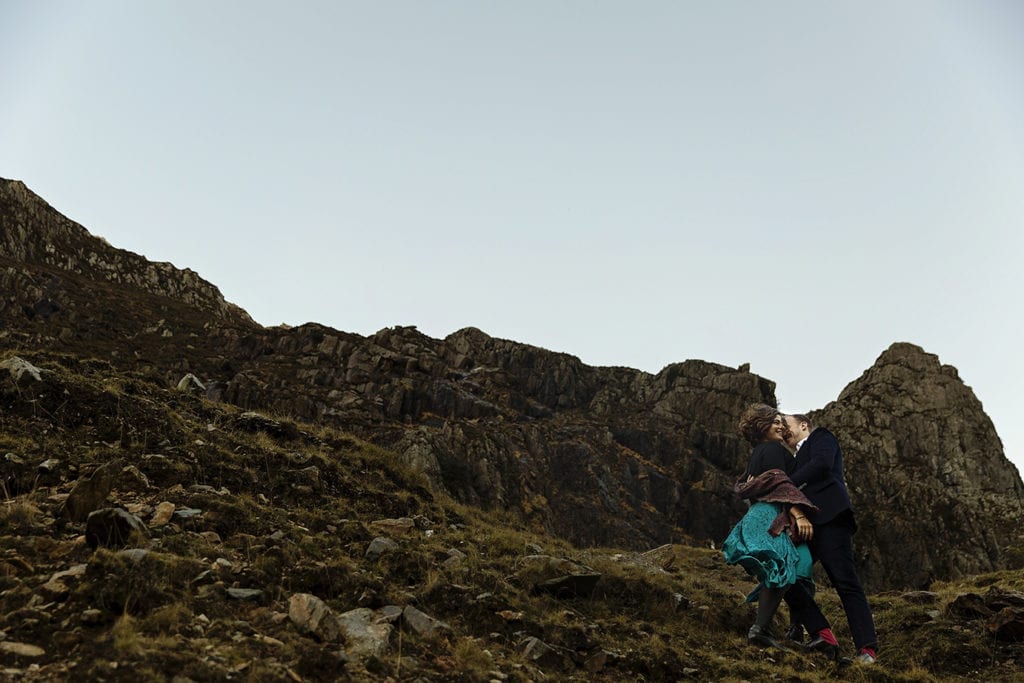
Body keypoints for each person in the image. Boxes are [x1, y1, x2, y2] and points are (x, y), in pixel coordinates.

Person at [722, 404, 837, 650]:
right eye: (775, 422)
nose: (780, 426)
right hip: (771, 516)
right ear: (761, 425)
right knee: (782, 567)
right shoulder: (772, 448)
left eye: (781, 422)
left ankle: (795, 628)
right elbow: (779, 484)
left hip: (767, 515)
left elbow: (759, 486)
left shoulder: (759, 454)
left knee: (799, 565)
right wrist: (798, 513)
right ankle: (760, 630)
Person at [783, 413, 879, 665]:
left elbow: (823, 464)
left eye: (786, 423)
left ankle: (867, 650)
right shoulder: (791, 461)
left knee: (845, 582)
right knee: (783, 575)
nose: (783, 429)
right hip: (804, 528)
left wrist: (783, 485)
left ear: (803, 425)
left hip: (830, 518)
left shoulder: (821, 437)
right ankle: (821, 633)